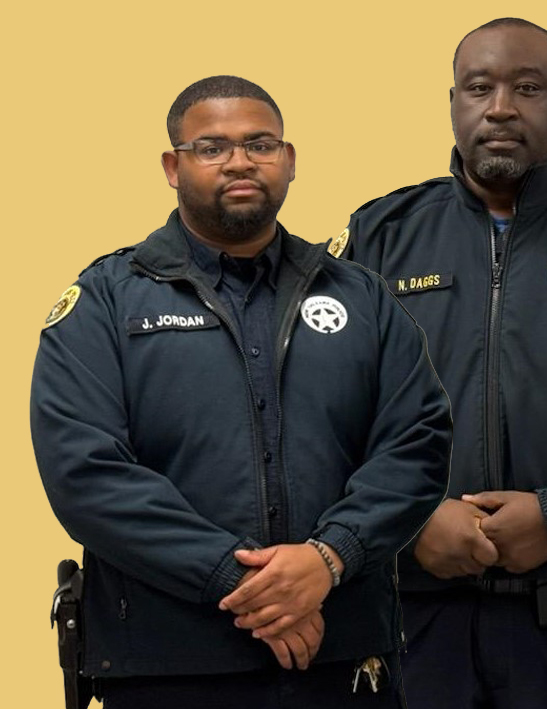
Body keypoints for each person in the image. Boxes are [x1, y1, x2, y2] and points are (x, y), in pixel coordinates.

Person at [31, 76, 453, 708]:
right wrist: (242, 581)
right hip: (165, 665)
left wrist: (329, 558)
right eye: (211, 147)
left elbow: (416, 446)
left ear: (288, 161)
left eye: (260, 144)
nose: (238, 161)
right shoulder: (105, 300)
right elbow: (85, 474)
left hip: (341, 660)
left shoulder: (360, 297)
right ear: (173, 167)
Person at [335, 18, 547, 708]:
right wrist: (411, 516)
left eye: (526, 88)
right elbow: (323, 412)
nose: (499, 108)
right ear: (452, 101)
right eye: (478, 87)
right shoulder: (378, 235)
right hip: (413, 624)